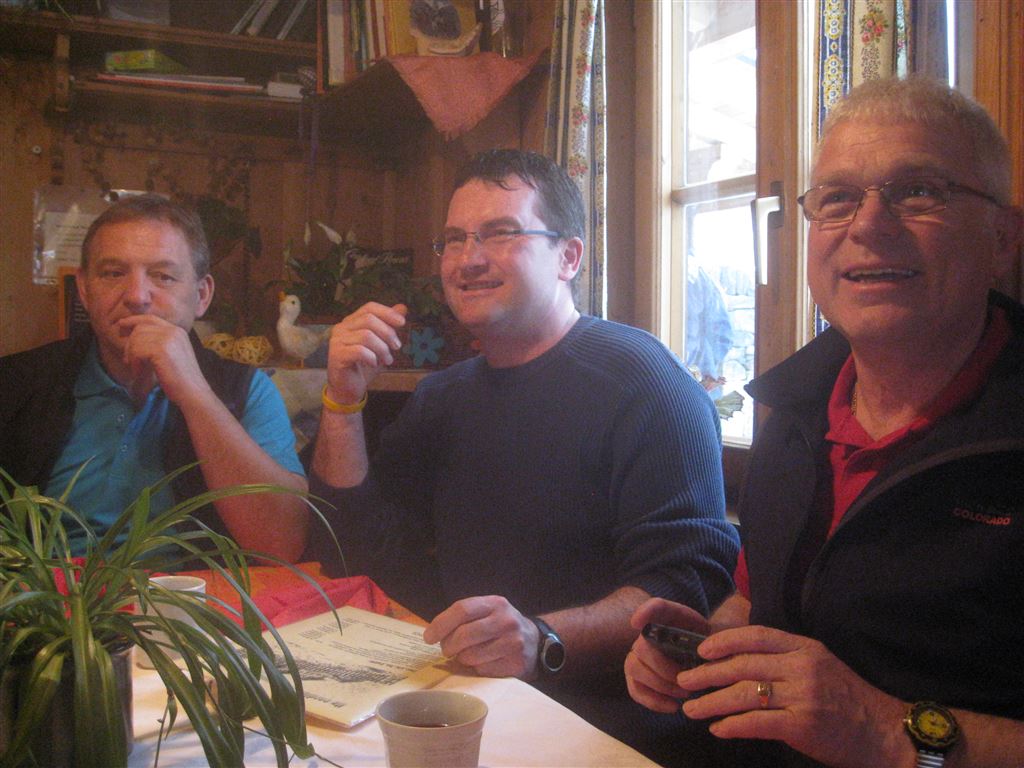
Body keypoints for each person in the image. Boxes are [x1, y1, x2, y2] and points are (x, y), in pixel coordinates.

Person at [625, 76, 1024, 768]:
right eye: (837, 198)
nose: (868, 225)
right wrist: (707, 648)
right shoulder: (794, 408)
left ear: (1002, 239)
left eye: (918, 191)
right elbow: (752, 600)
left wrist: (884, 731)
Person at [307, 148, 740, 759]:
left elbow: (686, 584)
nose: (469, 259)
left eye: (501, 233)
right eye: (454, 239)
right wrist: (343, 400)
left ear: (569, 257)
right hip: (467, 702)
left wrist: (542, 638)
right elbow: (353, 551)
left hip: (607, 725)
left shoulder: (646, 383)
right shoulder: (442, 397)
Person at [0, 194, 309, 562]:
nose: (137, 297)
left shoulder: (247, 391)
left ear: (201, 295)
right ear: (83, 290)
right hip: (47, 592)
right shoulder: (16, 383)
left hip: (194, 593)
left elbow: (282, 545)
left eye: (163, 276)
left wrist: (195, 394)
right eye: (113, 273)